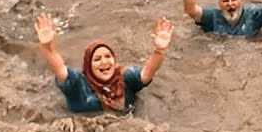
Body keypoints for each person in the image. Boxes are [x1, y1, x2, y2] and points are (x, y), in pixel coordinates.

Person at [34, 12, 174, 113]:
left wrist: (159, 51)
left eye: (108, 56)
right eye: (97, 59)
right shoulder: (77, 83)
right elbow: (59, 68)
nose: (104, 62)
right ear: (88, 66)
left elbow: (147, 73)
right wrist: (47, 47)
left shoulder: (125, 77)